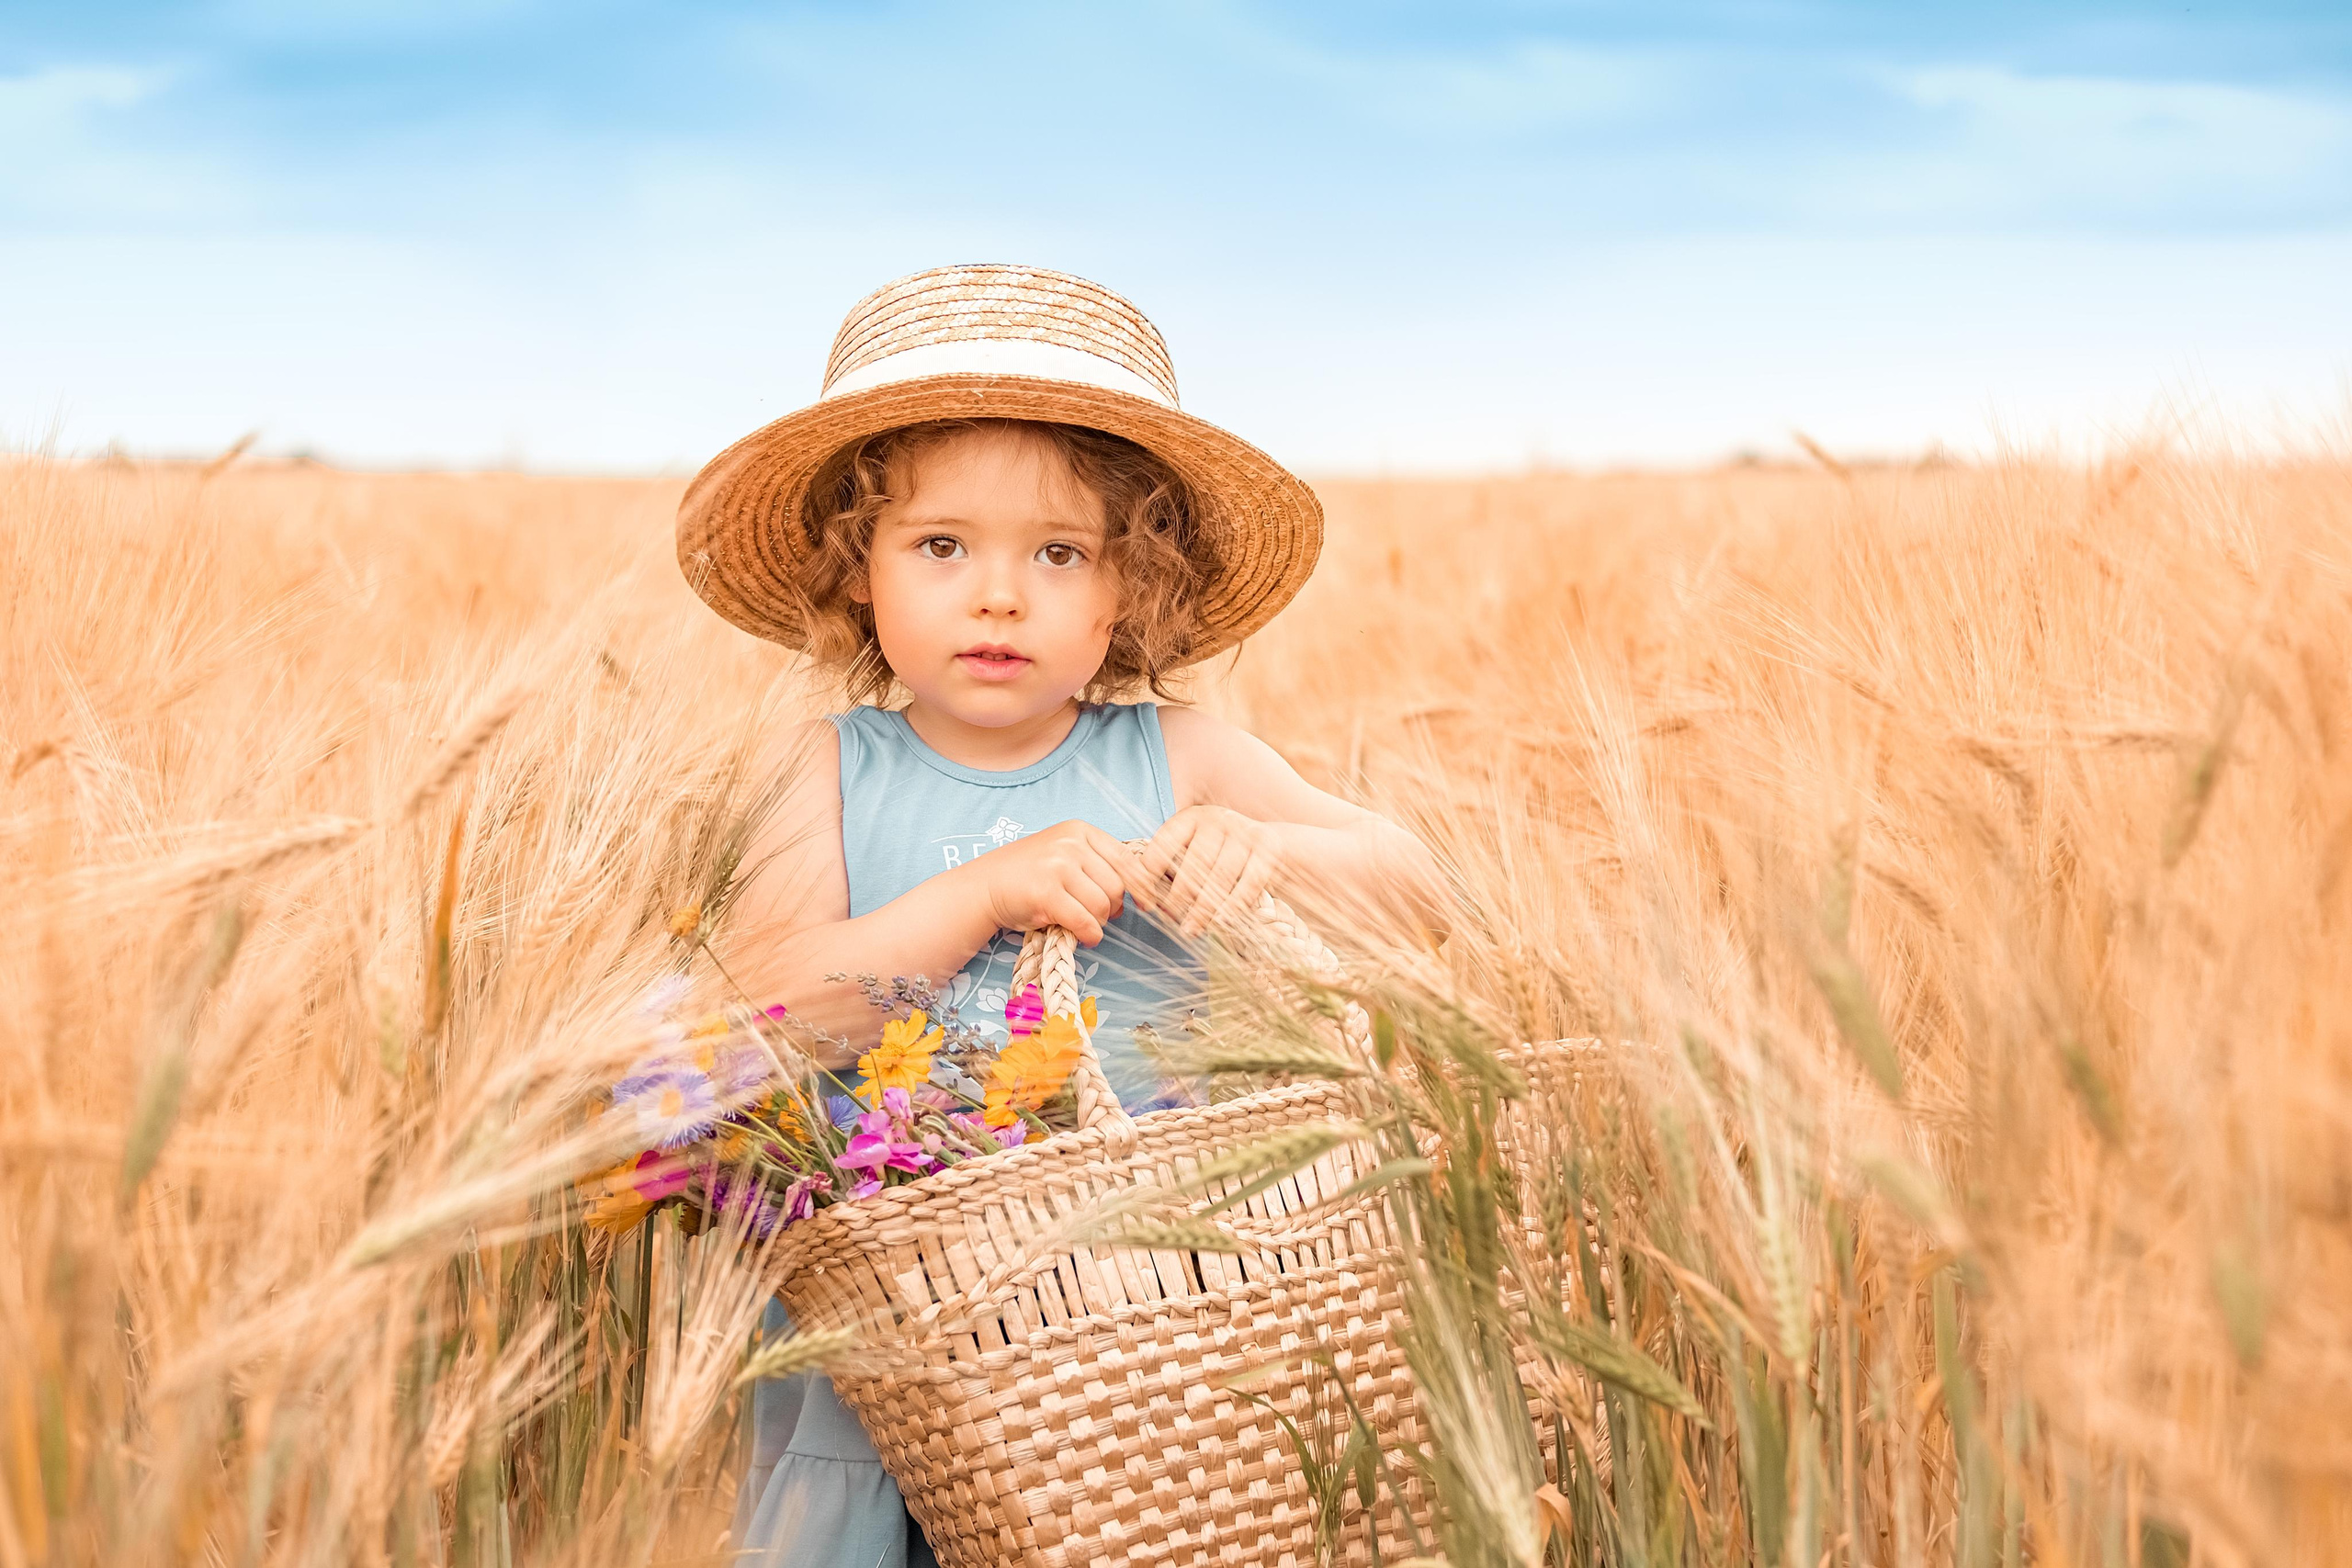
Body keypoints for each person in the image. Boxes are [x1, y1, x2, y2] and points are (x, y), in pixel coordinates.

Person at [674, 264, 1447, 1568]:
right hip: (888, 1340)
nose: (998, 595)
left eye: (1059, 553)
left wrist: (1268, 852)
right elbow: (763, 1015)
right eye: (940, 546)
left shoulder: (1181, 755)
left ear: (1127, 592)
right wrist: (978, 894)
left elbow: (1426, 890)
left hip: (1141, 1334)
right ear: (859, 572)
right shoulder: (825, 773)